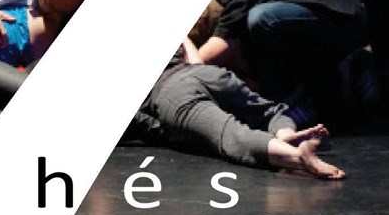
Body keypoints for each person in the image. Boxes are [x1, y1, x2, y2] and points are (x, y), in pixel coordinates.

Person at [194, 0, 369, 124]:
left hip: (345, 19)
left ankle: (307, 93)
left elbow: (224, 43)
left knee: (262, 19)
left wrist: (181, 70)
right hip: (320, 14)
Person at [125, 37, 345, 179]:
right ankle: (286, 134)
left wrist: (165, 131)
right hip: (207, 75)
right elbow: (196, 61)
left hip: (170, 91)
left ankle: (297, 156)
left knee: (228, 133)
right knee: (269, 112)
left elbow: (132, 120)